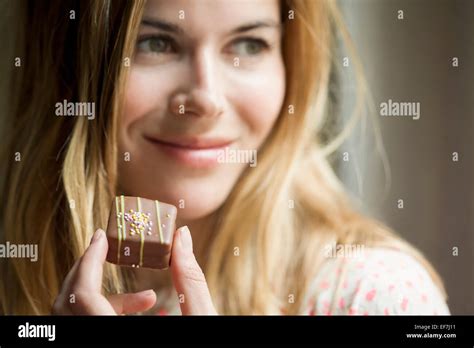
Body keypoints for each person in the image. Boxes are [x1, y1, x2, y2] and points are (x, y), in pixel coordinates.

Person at [0, 0, 449, 315]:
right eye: (155, 43)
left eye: (249, 44)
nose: (206, 99)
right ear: (66, 67)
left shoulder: (375, 296)